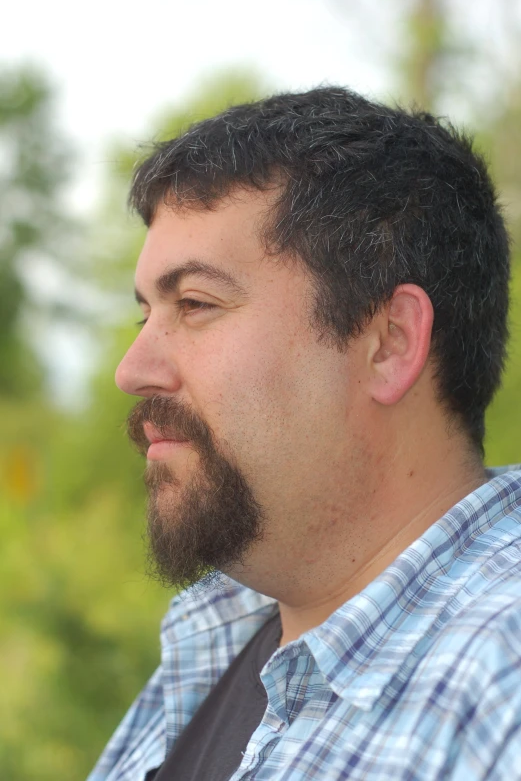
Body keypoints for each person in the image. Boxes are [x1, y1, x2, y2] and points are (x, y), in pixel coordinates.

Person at [88, 86, 521, 781]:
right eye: (147, 315)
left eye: (195, 304)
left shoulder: (500, 686)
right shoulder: (225, 635)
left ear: (387, 343)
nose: (132, 369)